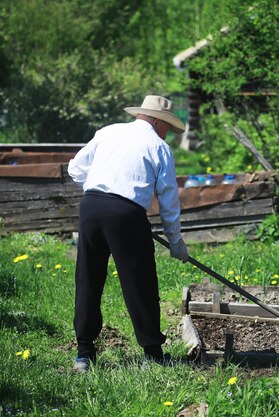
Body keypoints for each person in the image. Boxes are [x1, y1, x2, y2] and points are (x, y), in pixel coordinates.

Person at [67, 95, 189, 372]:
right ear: (157, 120)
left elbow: (75, 168)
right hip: (126, 214)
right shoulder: (159, 147)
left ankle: (84, 354)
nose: (167, 132)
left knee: (88, 277)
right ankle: (153, 353)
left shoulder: (108, 131)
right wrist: (176, 240)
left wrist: (103, 188)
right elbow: (168, 198)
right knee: (140, 281)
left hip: (91, 207)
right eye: (167, 126)